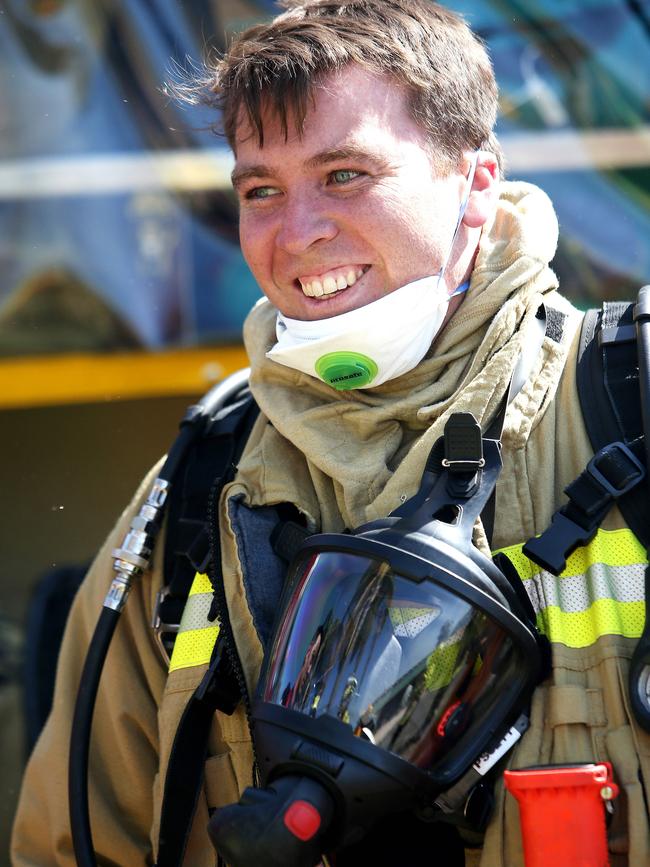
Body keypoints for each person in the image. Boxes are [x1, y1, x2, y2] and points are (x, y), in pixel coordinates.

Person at [11, 1, 650, 865]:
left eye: (345, 175)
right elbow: (76, 837)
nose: (297, 233)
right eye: (260, 190)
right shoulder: (201, 485)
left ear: (476, 182)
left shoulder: (628, 405)